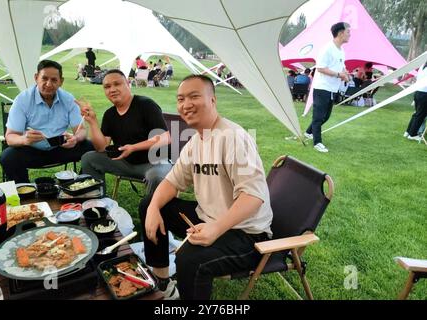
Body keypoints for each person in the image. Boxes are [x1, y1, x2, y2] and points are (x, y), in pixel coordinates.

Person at [140, 74, 273, 300]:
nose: (186, 105)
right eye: (181, 99)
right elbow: (172, 181)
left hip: (248, 235)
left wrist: (216, 228)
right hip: (209, 219)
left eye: (194, 97)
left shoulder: (232, 137)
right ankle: (163, 282)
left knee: (190, 258)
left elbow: (253, 195)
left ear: (213, 100)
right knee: (149, 205)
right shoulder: (196, 141)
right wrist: (153, 208)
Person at [77, 69, 172, 196]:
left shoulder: (146, 105)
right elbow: (101, 147)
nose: (112, 89)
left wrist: (133, 148)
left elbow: (165, 138)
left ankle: (152, 212)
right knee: (89, 158)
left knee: (156, 176)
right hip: (124, 162)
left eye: (117, 84)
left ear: (127, 84)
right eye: (107, 87)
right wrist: (93, 122)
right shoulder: (110, 114)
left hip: (154, 163)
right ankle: (95, 203)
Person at [0, 60, 94, 183]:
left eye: (54, 80)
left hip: (61, 147)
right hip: (31, 150)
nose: (48, 84)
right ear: (36, 78)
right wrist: (25, 139)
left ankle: (81, 187)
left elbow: (81, 130)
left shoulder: (68, 99)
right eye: (44, 78)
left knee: (91, 148)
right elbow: (10, 137)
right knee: (8, 157)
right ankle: (25, 192)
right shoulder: (22, 100)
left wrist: (75, 138)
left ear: (61, 82)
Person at [304, 22, 351, 153]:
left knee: (326, 116)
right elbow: (320, 68)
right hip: (322, 88)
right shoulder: (327, 49)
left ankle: (308, 132)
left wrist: (345, 74)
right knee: (318, 117)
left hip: (332, 89)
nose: (350, 35)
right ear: (341, 33)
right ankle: (317, 142)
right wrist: (338, 74)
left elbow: (342, 66)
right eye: (348, 32)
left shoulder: (341, 51)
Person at [405, 62, 427, 142]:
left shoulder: (422, 66)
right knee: (420, 115)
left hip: (418, 92)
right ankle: (412, 134)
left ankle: (408, 132)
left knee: (416, 114)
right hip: (424, 93)